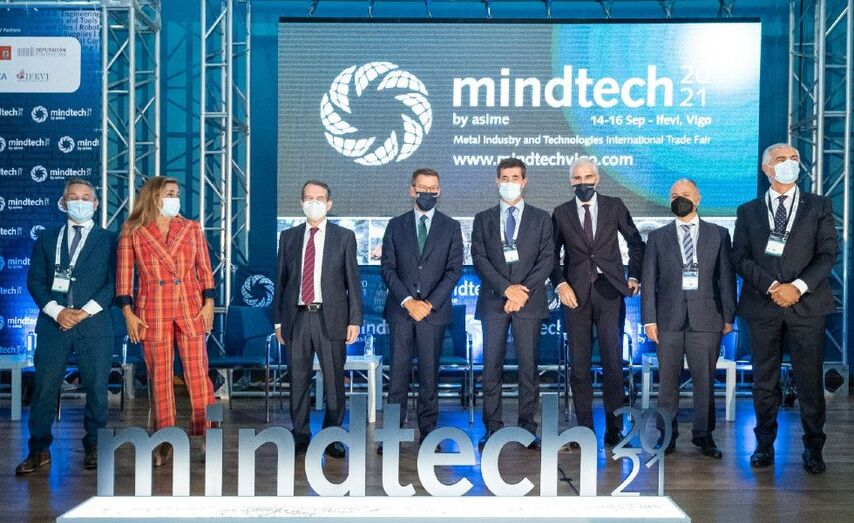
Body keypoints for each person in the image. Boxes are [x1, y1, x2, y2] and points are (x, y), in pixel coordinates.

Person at [733, 143, 836, 474]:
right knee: (765, 381)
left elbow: (827, 254)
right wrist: (773, 287)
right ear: (767, 169)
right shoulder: (748, 211)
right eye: (781, 159)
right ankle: (764, 445)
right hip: (763, 305)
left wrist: (797, 287)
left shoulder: (818, 206)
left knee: (809, 381)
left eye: (794, 159)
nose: (789, 163)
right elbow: (740, 257)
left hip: (807, 305)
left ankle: (814, 448)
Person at [17, 179, 116, 474]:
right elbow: (35, 280)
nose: (79, 202)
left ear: (95, 204)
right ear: (63, 203)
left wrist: (83, 312)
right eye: (73, 197)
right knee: (44, 388)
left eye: (86, 197)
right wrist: (57, 311)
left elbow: (115, 283)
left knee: (97, 389)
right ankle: (38, 449)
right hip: (53, 325)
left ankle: (95, 445)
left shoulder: (110, 240)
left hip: (94, 326)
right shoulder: (47, 238)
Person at [116, 176, 216, 465]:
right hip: (152, 311)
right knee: (159, 378)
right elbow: (124, 276)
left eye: (177, 193)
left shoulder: (191, 228)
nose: (175, 198)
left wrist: (209, 303)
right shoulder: (133, 230)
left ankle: (210, 434)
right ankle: (165, 439)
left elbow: (205, 269)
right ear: (154, 197)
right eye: (170, 193)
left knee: (200, 376)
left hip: (191, 308)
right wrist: (127, 313)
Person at [551, 158, 644, 446]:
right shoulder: (561, 212)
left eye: (588, 177)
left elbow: (635, 242)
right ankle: (584, 430)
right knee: (579, 367)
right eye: (577, 178)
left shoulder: (615, 205)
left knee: (612, 362)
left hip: (610, 291)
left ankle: (614, 428)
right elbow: (550, 255)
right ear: (570, 181)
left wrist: (634, 276)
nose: (583, 183)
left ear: (598, 178)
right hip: (574, 295)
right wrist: (560, 284)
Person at [641, 179, 736, 458]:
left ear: (698, 198)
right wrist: (649, 320)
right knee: (667, 383)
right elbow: (649, 280)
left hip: (707, 318)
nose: (679, 199)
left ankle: (704, 436)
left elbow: (726, 278)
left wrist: (729, 316)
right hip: (667, 319)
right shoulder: (657, 237)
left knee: (704, 381)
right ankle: (666, 435)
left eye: (684, 194)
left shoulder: (719, 234)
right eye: (674, 195)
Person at [272, 180, 362, 458]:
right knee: (297, 380)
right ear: (301, 203)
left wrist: (355, 320)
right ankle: (300, 435)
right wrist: (278, 322)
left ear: (329, 204)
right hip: (296, 318)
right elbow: (281, 281)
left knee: (334, 382)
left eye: (319, 198)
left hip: (331, 317)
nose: (314, 202)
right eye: (309, 198)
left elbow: (352, 282)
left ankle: (332, 436)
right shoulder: (288, 237)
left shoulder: (344, 237)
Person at [471, 158, 554, 451]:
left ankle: (528, 428)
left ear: (524, 181)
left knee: (528, 369)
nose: (509, 183)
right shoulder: (483, 219)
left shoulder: (541, 218)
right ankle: (492, 428)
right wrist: (507, 290)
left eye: (515, 177)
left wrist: (521, 293)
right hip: (494, 301)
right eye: (504, 178)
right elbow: (479, 258)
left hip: (528, 303)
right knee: (491, 368)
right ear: (497, 181)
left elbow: (547, 259)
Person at [379, 168, 463, 453]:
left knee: (429, 378)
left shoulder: (451, 227)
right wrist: (408, 301)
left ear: (439, 191)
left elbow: (454, 270)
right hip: (401, 311)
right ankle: (392, 435)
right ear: (412, 190)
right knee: (398, 377)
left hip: (433, 313)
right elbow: (387, 268)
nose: (428, 192)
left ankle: (428, 434)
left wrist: (428, 303)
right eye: (422, 188)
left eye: (433, 188)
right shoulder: (395, 225)